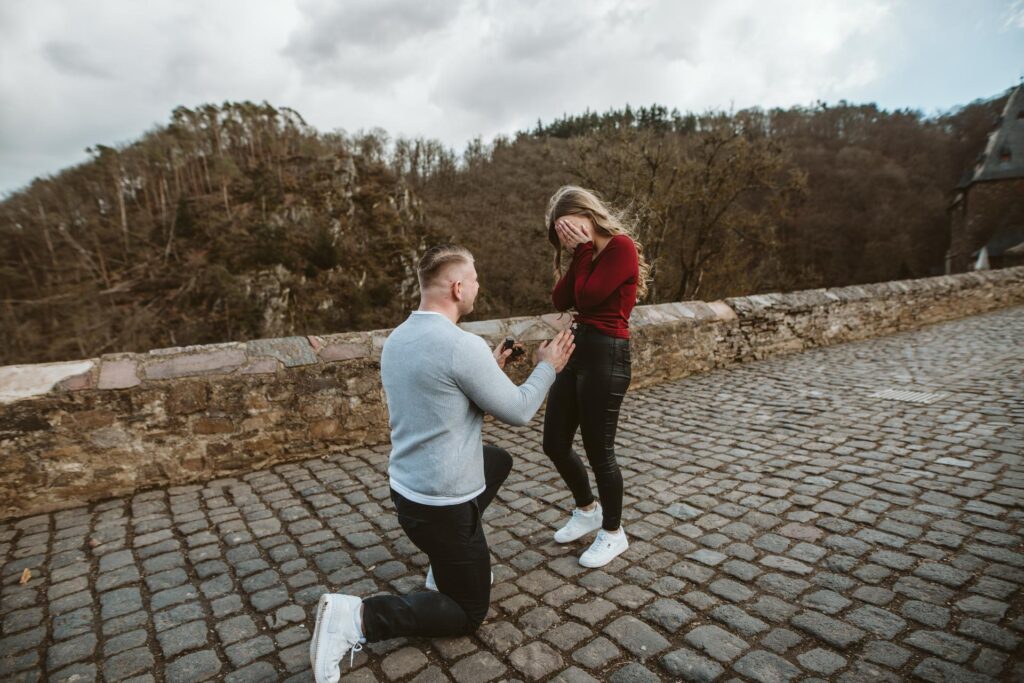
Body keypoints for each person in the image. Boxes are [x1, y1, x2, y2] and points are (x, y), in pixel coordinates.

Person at [310, 244, 575, 683]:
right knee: (467, 611)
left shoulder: (398, 339)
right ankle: (356, 617)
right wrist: (548, 366)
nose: (477, 286)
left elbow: (442, 398)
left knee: (497, 461)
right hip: (442, 508)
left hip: (408, 492)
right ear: (456, 287)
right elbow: (520, 411)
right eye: (473, 279)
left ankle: (447, 558)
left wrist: (488, 367)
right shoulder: (460, 345)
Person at [542, 185, 651, 568]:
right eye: (562, 235)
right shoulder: (584, 256)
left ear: (586, 214)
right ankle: (587, 509)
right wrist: (578, 256)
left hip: (607, 354)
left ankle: (613, 532)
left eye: (569, 228)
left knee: (599, 450)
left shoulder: (620, 248)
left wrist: (584, 251)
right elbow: (561, 300)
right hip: (576, 349)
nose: (568, 238)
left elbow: (588, 299)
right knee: (554, 442)